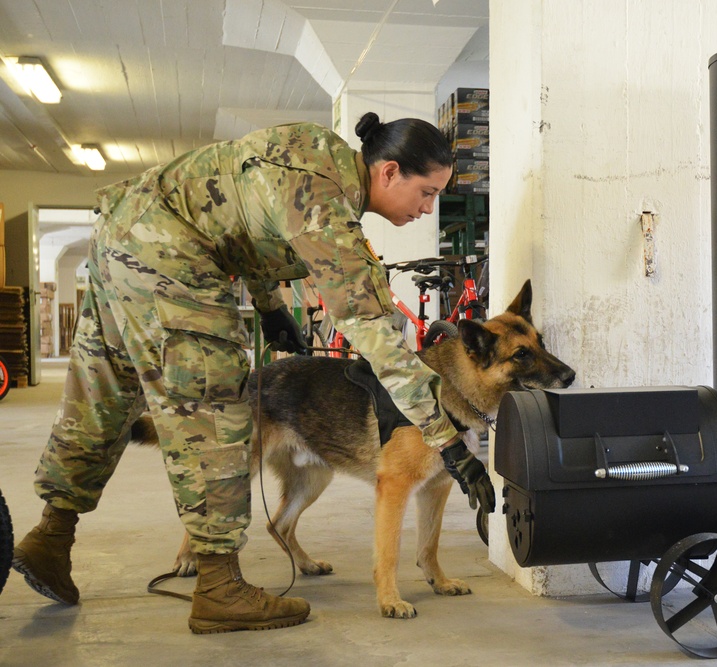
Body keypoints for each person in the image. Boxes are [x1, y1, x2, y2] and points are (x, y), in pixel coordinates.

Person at [11, 112, 495, 634]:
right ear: (389, 172)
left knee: (102, 398)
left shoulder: (316, 154)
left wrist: (268, 305)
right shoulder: (328, 207)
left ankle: (50, 538)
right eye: (426, 193)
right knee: (216, 413)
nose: (427, 211)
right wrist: (446, 439)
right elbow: (377, 336)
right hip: (171, 258)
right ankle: (218, 586)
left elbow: (248, 217)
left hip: (119, 236)